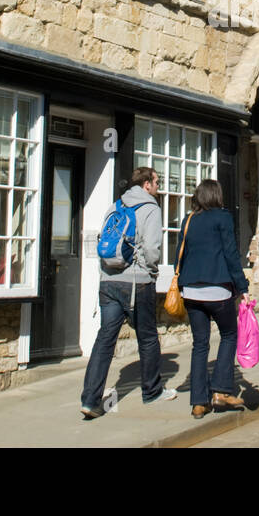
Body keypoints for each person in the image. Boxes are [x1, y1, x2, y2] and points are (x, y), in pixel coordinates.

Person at [80, 167, 178, 419]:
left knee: (105, 340)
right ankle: (152, 391)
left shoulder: (115, 205)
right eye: (157, 182)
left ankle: (90, 400)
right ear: (146, 184)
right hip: (137, 283)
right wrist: (151, 271)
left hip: (108, 282)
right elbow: (153, 248)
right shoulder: (150, 208)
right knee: (147, 338)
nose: (158, 187)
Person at [176, 179, 250, 419]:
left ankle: (198, 402)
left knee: (200, 344)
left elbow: (181, 254)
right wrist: (243, 286)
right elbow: (230, 253)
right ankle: (220, 390)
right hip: (217, 288)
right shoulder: (223, 217)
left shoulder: (189, 220)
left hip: (191, 290)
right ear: (217, 196)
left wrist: (181, 286)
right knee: (229, 335)